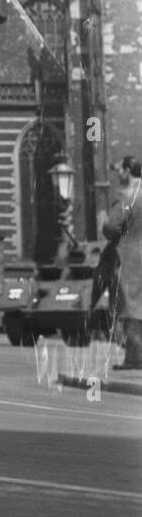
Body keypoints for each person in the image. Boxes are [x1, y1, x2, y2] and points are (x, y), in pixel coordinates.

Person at [103, 156, 142, 369]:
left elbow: (110, 226)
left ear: (128, 171)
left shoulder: (128, 197)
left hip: (132, 257)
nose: (119, 173)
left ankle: (135, 357)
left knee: (130, 305)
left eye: (120, 169)